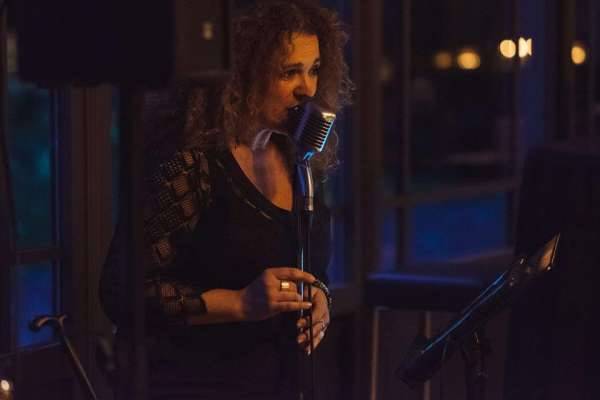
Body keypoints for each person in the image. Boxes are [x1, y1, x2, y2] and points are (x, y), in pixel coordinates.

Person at [99, 0, 352, 399]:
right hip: (197, 383)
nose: (307, 89)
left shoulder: (299, 159)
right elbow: (122, 291)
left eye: (314, 69)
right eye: (289, 72)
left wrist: (319, 293)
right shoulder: (192, 163)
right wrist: (239, 303)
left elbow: (309, 263)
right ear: (243, 75)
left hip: (282, 382)